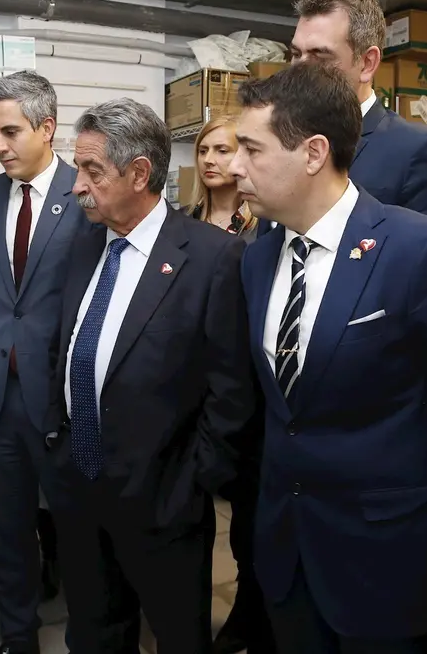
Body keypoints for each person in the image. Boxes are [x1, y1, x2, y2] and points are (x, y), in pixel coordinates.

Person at [232, 62, 427, 653]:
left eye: (251, 149)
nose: (233, 167)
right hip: (289, 552)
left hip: (387, 559)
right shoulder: (258, 256)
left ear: (313, 152)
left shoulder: (420, 250)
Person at [46, 98, 255, 654]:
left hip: (165, 507)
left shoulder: (214, 259)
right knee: (94, 633)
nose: (77, 187)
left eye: (93, 172)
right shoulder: (83, 244)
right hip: (82, 493)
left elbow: (231, 393)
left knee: (178, 637)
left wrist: (191, 483)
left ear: (139, 173)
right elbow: (64, 350)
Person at [0, 71, 92, 654]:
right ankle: (19, 639)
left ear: (47, 127)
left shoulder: (85, 192)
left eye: (11, 132)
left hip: (63, 399)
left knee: (80, 532)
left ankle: (94, 635)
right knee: (8, 534)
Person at [185, 116, 273, 654]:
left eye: (225, 148)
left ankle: (249, 612)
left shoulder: (260, 223)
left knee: (248, 522)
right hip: (193, 383)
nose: (212, 159)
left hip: (246, 383)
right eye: (204, 149)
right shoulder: (184, 218)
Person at [290, 0, 427, 229]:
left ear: (367, 63)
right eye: (295, 54)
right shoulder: (284, 142)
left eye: (320, 56)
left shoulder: (418, 151)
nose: (300, 69)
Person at [187, 117, 259, 242]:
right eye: (202, 151)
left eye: (222, 151)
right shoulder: (181, 220)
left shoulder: (264, 225)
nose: (208, 160)